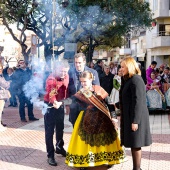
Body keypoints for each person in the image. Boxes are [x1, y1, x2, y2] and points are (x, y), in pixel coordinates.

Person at [54, 71, 126, 170]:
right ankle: (85, 162)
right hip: (86, 120)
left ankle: (106, 160)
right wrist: (60, 103)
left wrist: (113, 117)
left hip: (102, 119)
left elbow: (109, 103)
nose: (83, 84)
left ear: (91, 80)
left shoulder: (99, 89)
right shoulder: (81, 93)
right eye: (81, 82)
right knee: (86, 143)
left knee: (102, 141)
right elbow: (71, 100)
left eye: (85, 81)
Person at [119, 57, 152, 170]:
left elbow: (139, 102)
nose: (121, 69)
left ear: (129, 67)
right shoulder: (128, 79)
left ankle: (137, 168)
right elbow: (128, 98)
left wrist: (135, 121)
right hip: (130, 116)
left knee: (136, 143)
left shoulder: (136, 79)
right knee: (134, 144)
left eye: (123, 67)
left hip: (136, 118)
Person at [43, 60, 70, 166]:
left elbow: (67, 91)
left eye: (65, 72)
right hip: (50, 105)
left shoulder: (67, 76)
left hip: (60, 104)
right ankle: (50, 155)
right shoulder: (51, 79)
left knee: (60, 128)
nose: (63, 74)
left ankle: (59, 147)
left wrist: (66, 104)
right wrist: (55, 102)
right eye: (61, 71)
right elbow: (52, 93)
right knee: (49, 132)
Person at [68, 53, 100, 127]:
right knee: (76, 131)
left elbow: (97, 89)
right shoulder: (70, 73)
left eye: (79, 62)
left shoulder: (93, 72)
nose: (77, 65)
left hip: (88, 109)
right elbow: (68, 89)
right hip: (75, 109)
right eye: (76, 62)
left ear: (84, 62)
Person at [0, 63, 10, 131]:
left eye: (1, 68)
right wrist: (9, 82)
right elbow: (5, 85)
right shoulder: (0, 77)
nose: (1, 70)